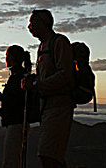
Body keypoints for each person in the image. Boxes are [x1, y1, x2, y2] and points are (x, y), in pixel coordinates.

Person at [23, 9, 75, 168]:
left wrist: (38, 85)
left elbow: (66, 74)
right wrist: (34, 80)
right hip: (47, 107)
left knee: (48, 154)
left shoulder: (59, 42)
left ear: (43, 23)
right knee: (51, 155)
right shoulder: (43, 47)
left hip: (59, 105)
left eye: (32, 23)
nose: (29, 27)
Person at [0, 45, 31, 168]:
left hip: (16, 123)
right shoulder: (20, 75)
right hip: (18, 122)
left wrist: (0, 97)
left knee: (10, 162)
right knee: (12, 159)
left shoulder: (18, 76)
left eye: (7, 55)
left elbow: (14, 104)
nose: (5, 58)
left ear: (13, 57)